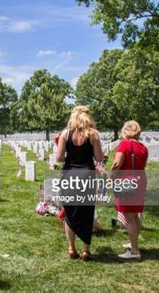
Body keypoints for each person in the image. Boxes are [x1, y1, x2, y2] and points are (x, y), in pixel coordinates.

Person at [56, 105, 104, 261]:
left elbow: (59, 158)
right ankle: (85, 250)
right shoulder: (93, 134)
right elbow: (99, 158)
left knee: (70, 213)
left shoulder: (65, 133)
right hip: (87, 176)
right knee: (86, 213)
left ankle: (71, 248)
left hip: (69, 175)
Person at [111, 121, 148, 259]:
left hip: (126, 181)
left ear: (125, 131)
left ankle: (134, 251)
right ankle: (134, 243)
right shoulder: (143, 147)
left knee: (129, 216)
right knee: (135, 215)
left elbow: (117, 162)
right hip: (140, 180)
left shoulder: (125, 144)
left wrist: (110, 175)